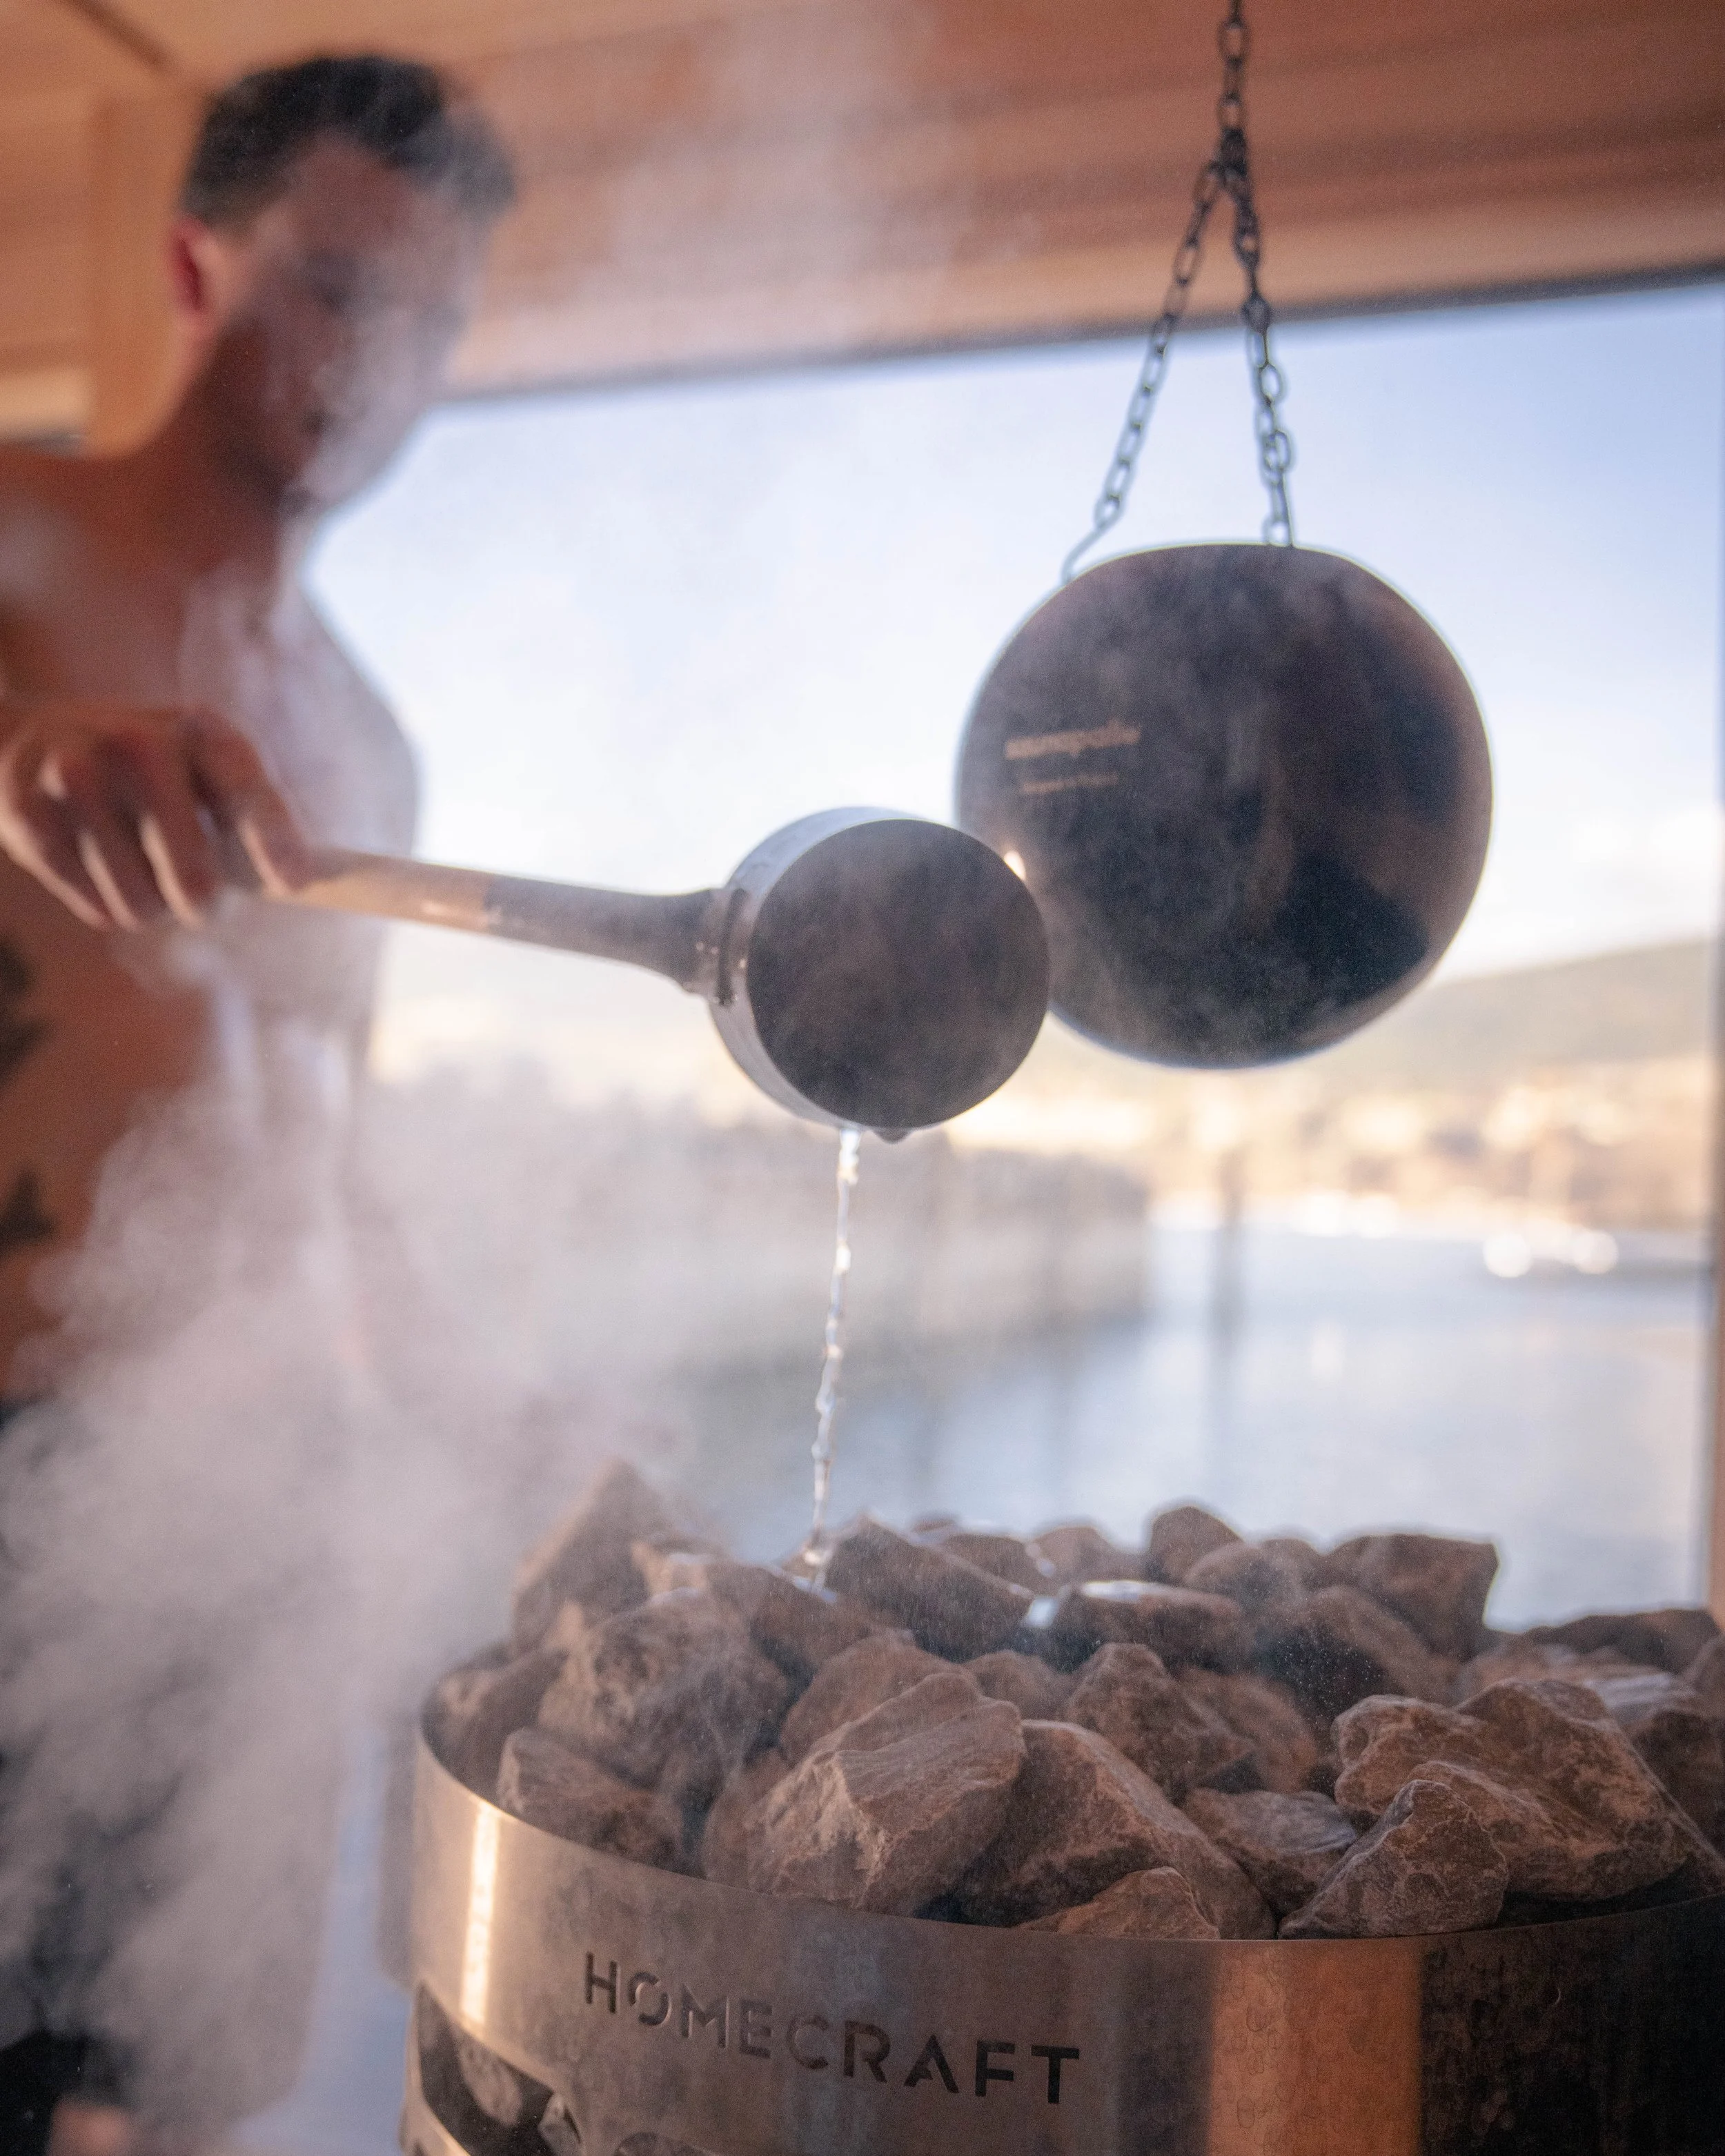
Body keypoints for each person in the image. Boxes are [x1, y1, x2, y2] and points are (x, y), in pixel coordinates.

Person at [0, 55, 515, 2155]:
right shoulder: (10, 540)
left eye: (432, 318)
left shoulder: (370, 746)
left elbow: (336, 1157)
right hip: (17, 1475)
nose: (372, 361)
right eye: (327, 283)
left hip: (252, 1501)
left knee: (174, 2104)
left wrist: (489, 1410)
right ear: (195, 260)